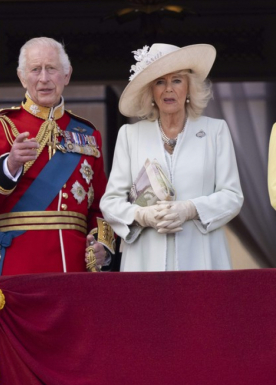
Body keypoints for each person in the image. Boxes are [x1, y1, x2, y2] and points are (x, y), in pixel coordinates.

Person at [0, 37, 115, 275]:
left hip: (74, 266)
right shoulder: (1, 127)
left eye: (52, 69)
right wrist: (11, 163)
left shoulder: (88, 134)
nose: (44, 78)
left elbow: (102, 207)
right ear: (22, 77)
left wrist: (102, 245)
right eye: (35, 69)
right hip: (18, 264)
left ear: (66, 75)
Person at [100, 43, 243, 271]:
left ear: (189, 88)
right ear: (151, 92)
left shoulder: (215, 131)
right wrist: (142, 215)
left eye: (176, 80)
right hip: (144, 263)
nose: (168, 89)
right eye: (159, 81)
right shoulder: (130, 135)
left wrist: (189, 209)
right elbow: (110, 203)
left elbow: (232, 196)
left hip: (202, 260)